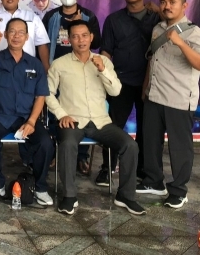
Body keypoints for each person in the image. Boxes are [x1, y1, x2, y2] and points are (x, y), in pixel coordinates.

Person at [46, 20, 144, 216]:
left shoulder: (104, 62)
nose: (80, 40)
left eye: (84, 35)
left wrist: (102, 69)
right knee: (67, 144)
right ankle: (69, 196)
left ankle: (125, 196)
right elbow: (47, 93)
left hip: (101, 121)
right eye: (75, 36)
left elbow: (116, 91)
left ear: (91, 37)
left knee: (130, 145)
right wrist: (62, 114)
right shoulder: (59, 64)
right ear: (69, 39)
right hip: (72, 121)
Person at [137, 0, 200, 209]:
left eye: (172, 2)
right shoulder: (158, 28)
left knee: (179, 148)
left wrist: (180, 43)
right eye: (163, 2)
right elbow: (153, 60)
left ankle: (178, 190)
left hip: (178, 99)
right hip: (155, 95)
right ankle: (154, 181)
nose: (167, 6)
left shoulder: (194, 32)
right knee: (151, 142)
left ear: (184, 6)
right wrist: (146, 87)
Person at [97, 0, 161, 186]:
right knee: (113, 127)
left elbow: (175, 25)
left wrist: (159, 11)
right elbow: (106, 51)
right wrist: (106, 77)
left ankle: (143, 169)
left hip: (151, 83)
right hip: (120, 83)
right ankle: (107, 168)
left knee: (148, 129)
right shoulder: (113, 20)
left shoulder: (157, 18)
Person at [0, 19, 54, 205]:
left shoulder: (35, 64)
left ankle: (40, 188)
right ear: (6, 35)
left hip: (26, 117)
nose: (16, 36)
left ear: (27, 37)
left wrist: (31, 122)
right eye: (12, 31)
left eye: (21, 32)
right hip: (0, 115)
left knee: (45, 143)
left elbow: (41, 96)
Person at [43, 0, 102, 175]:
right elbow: (42, 43)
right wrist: (47, 67)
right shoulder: (51, 16)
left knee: (81, 114)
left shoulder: (88, 16)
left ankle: (81, 156)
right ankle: (55, 152)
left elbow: (96, 43)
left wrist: (78, 24)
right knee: (55, 113)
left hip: (80, 72)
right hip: (56, 71)